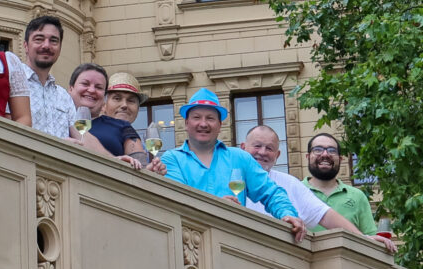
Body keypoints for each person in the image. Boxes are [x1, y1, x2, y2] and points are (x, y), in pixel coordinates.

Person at [161, 88, 306, 242]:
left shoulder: (240, 157)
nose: (203, 123)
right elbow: (178, 203)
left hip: (233, 246)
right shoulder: (171, 159)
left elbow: (271, 192)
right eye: (197, 117)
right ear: (186, 123)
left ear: (219, 124)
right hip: (189, 245)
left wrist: (287, 214)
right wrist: (218, 206)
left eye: (210, 118)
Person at [242, 126, 395, 253]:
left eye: (269, 148)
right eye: (257, 146)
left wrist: (364, 239)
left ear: (277, 154)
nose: (262, 152)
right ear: (243, 147)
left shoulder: (290, 184)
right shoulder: (226, 173)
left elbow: (323, 215)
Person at [68, 64, 161, 172]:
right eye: (85, 83)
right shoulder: (57, 114)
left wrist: (150, 170)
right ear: (70, 88)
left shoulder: (121, 126)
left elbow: (142, 170)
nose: (92, 90)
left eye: (98, 87)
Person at [302, 132, 381, 237]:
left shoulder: (357, 196)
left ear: (340, 159)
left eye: (332, 150)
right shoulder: (294, 191)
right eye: (318, 150)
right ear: (308, 156)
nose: (325, 154)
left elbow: (371, 241)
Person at [20, 14, 79, 139]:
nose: (46, 45)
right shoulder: (13, 82)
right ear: (25, 46)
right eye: (39, 39)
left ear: (60, 48)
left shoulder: (63, 96)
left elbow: (83, 137)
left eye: (53, 41)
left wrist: (113, 158)